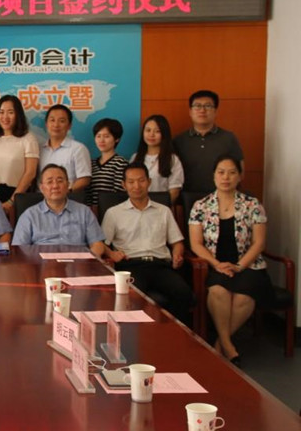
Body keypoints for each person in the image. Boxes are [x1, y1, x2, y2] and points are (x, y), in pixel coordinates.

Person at [189, 155, 272, 365]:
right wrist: (216, 264)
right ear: (214, 176)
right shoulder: (201, 206)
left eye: (232, 172)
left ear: (240, 176)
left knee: (244, 298)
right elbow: (196, 244)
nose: (226, 177)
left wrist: (238, 266)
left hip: (248, 266)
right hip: (216, 265)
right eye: (221, 172)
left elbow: (259, 243)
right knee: (218, 291)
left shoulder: (252, 204)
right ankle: (228, 347)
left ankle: (219, 345)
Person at [101, 162, 194, 325]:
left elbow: (177, 242)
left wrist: (178, 253)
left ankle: (172, 334)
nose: (137, 186)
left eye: (141, 180)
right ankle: (139, 337)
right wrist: (112, 254)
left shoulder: (163, 211)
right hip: (130, 266)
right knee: (133, 299)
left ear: (149, 182)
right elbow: (102, 244)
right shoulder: (113, 213)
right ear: (124, 185)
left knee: (184, 294)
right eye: (131, 182)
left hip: (160, 266)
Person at [12, 164, 105, 256]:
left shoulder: (84, 212)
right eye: (49, 182)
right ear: (41, 188)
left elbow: (98, 245)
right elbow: (19, 249)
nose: (55, 186)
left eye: (60, 181)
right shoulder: (29, 216)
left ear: (68, 185)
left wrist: (85, 260)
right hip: (41, 263)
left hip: (78, 262)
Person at [174, 90, 244, 194]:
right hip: (187, 197)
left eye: (208, 106)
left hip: (220, 196)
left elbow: (240, 171)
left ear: (215, 111)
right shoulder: (179, 140)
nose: (202, 110)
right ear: (190, 112)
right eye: (197, 106)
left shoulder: (228, 138)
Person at [0, 94, 39, 216]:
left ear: (18, 115)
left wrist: (11, 201)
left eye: (10, 112)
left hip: (19, 195)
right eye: (1, 112)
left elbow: (30, 173)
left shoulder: (28, 138)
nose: (5, 117)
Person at [131, 114, 184, 203]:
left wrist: (157, 208)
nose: (151, 134)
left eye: (157, 131)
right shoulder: (135, 158)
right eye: (148, 130)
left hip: (161, 207)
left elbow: (174, 192)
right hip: (137, 206)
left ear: (164, 134)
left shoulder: (172, 160)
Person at [38, 104, 91, 192]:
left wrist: (65, 192)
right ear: (46, 124)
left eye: (61, 121)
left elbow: (84, 179)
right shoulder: (38, 149)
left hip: (68, 197)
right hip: (40, 198)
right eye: (52, 120)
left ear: (69, 125)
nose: (56, 125)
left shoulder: (78, 149)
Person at [86, 118, 128, 206]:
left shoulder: (121, 163)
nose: (101, 140)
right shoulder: (91, 163)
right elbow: (88, 191)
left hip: (111, 210)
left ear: (117, 139)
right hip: (90, 210)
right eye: (98, 136)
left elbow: (118, 194)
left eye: (106, 136)